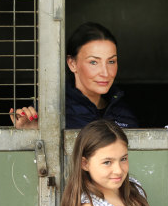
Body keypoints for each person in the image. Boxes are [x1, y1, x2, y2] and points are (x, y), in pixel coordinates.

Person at [10, 22, 138, 129]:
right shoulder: (51, 110)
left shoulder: (123, 112)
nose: (105, 73)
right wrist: (30, 133)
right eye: (93, 62)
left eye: (111, 61)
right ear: (72, 64)